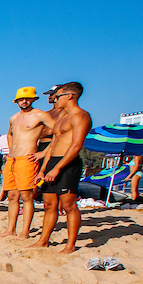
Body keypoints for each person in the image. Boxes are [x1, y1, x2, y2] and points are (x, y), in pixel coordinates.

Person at [31, 82, 91, 254]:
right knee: (49, 204)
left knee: (68, 205)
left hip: (68, 163)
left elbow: (76, 145)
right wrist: (43, 169)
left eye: (58, 96)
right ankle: (43, 240)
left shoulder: (80, 116)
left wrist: (57, 168)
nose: (55, 98)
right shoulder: (61, 118)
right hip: (52, 161)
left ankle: (70, 245)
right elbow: (52, 145)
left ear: (70, 96)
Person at [0, 87, 54, 238]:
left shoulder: (40, 114)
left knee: (27, 196)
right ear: (16, 101)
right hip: (12, 159)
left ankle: (25, 231)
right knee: (12, 196)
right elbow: (10, 134)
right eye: (21, 99)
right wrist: (10, 151)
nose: (24, 101)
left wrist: (43, 152)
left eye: (27, 98)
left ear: (33, 99)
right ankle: (10, 229)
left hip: (27, 159)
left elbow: (60, 132)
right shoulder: (14, 118)